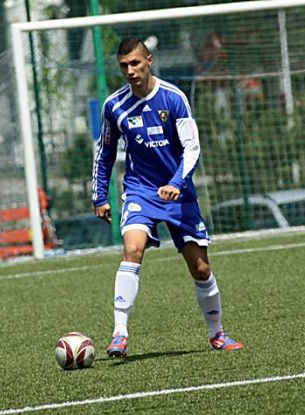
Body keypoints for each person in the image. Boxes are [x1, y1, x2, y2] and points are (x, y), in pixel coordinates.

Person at [92, 38, 244, 356]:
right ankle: (119, 333)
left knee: (201, 268)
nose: (130, 71)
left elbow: (192, 148)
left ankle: (217, 333)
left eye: (135, 63)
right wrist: (100, 195)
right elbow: (104, 152)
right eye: (124, 66)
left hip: (179, 193)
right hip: (140, 191)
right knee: (132, 249)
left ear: (149, 60)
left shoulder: (174, 98)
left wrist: (176, 182)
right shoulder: (114, 106)